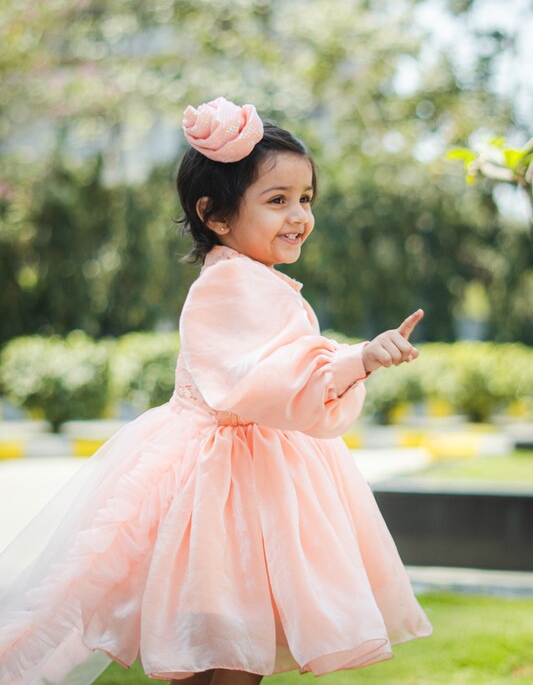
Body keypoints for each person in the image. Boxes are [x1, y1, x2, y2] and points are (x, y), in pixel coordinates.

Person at [0, 97, 431, 685]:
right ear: (216, 215)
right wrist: (355, 358)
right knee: (220, 642)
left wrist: (353, 360)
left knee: (230, 649)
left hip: (258, 471)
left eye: (305, 199)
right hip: (218, 481)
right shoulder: (227, 284)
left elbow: (289, 369)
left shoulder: (257, 280)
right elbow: (263, 382)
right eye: (276, 200)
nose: (298, 215)